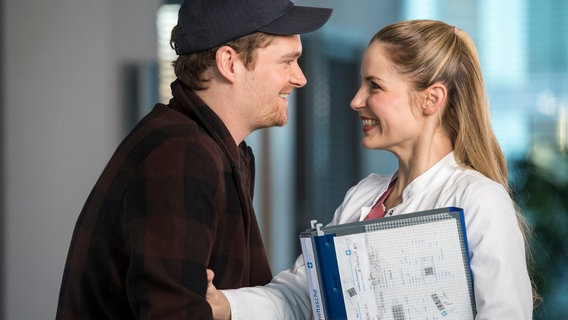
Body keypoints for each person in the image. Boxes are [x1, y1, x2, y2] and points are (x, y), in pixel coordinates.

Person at [206, 19, 535, 319]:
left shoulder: (478, 199)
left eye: (374, 86)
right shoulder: (363, 195)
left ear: (431, 99)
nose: (356, 100)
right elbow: (303, 295)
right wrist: (226, 305)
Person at [55, 0, 332, 318]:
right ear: (229, 62)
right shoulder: (182, 154)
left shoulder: (222, 151)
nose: (300, 79)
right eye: (287, 62)